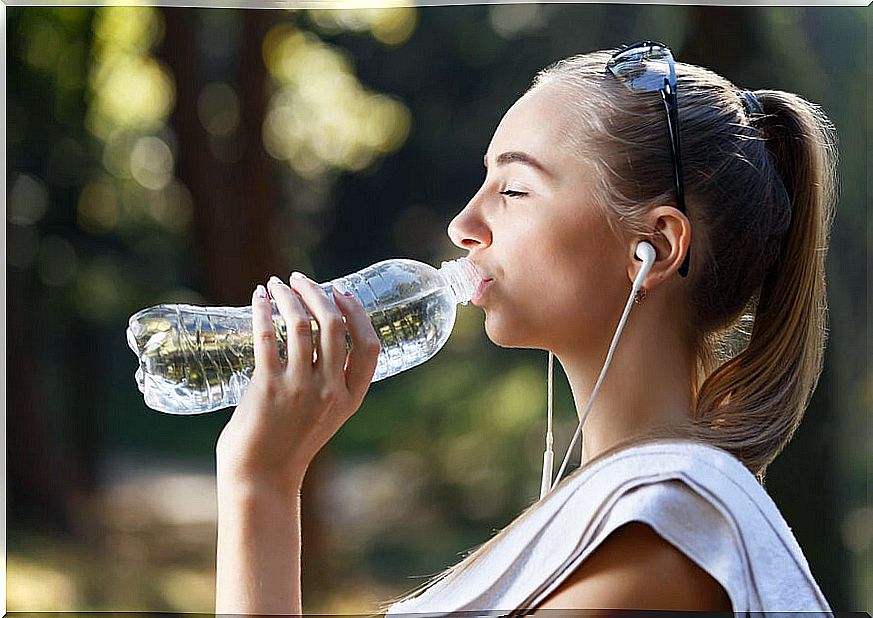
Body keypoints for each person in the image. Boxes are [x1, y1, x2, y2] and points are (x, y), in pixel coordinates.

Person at [214, 41, 837, 614]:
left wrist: (261, 487)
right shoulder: (622, 513)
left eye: (513, 189)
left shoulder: (660, 536)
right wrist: (262, 479)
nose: (464, 224)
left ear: (654, 245)